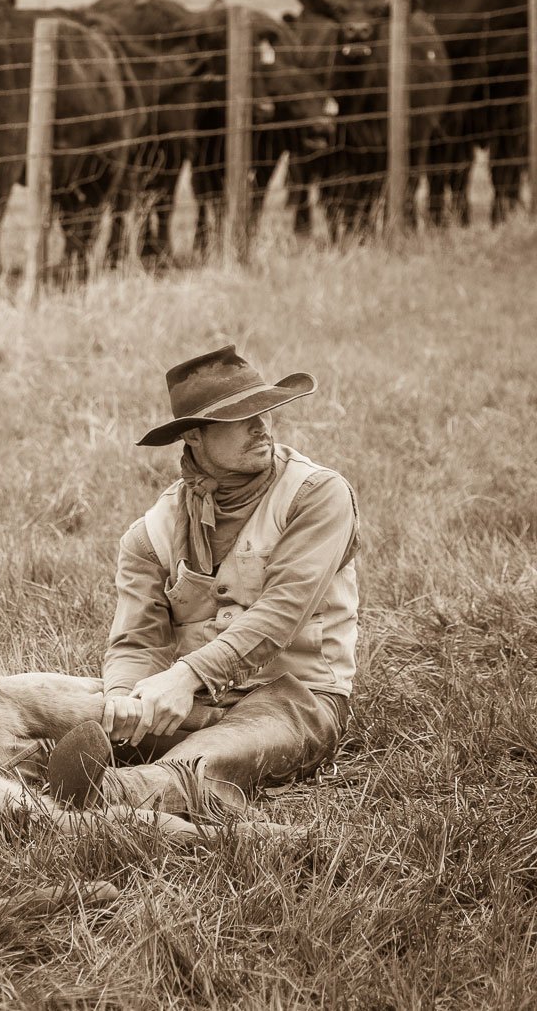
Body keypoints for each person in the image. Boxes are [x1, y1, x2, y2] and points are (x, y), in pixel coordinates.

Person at [46, 345, 359, 819]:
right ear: (192, 434)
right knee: (54, 717)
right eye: (240, 416)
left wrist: (184, 676)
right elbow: (136, 641)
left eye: (265, 411)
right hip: (187, 700)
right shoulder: (148, 534)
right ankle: (8, 776)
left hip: (299, 702)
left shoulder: (317, 495)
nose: (262, 426)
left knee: (204, 758)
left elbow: (280, 615)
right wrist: (122, 698)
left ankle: (114, 795)